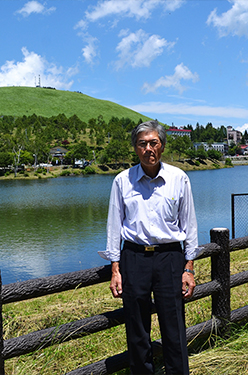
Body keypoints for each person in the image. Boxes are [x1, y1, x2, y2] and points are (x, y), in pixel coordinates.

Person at [101, 120, 198, 375]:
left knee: (174, 327)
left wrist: (189, 267)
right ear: (135, 148)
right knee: (137, 330)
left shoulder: (179, 179)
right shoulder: (122, 181)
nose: (148, 149)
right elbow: (114, 227)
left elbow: (190, 225)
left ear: (162, 146)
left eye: (153, 143)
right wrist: (115, 268)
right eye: (142, 144)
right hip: (134, 258)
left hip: (170, 258)